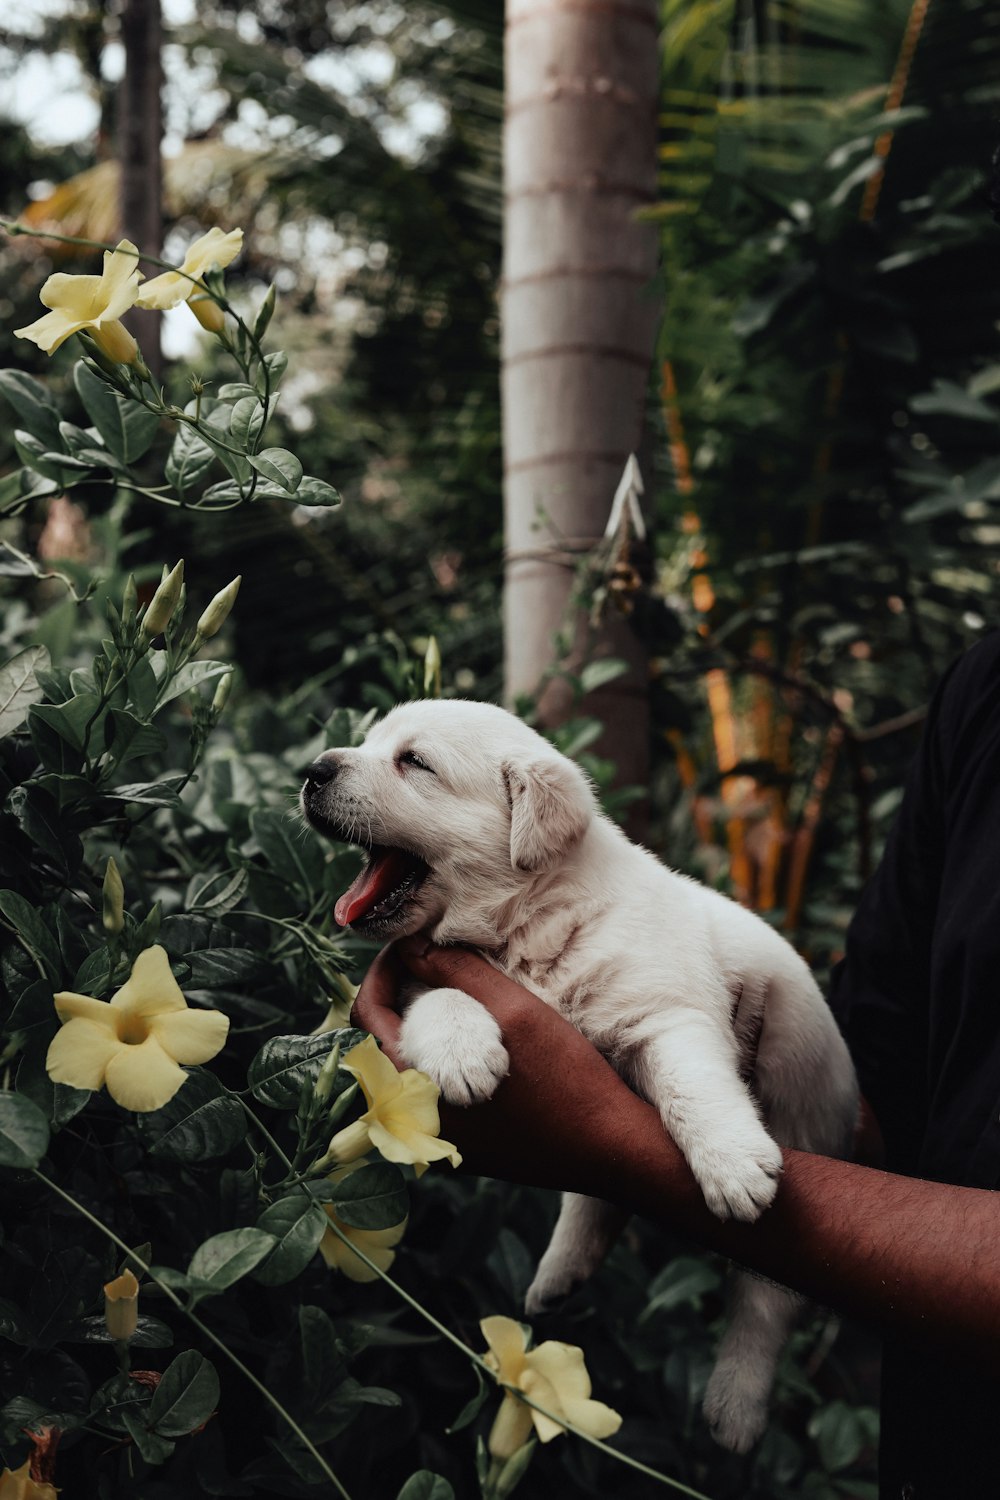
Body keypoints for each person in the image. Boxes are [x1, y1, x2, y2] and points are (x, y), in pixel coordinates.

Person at [353, 631, 1000, 1500]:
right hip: (936, 1444)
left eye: (412, 765)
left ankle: (752, 1340)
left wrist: (627, 1147)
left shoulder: (599, 887)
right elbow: (879, 1073)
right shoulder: (982, 690)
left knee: (676, 1067)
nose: (349, 769)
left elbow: (667, 1040)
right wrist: (454, 1016)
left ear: (530, 816)